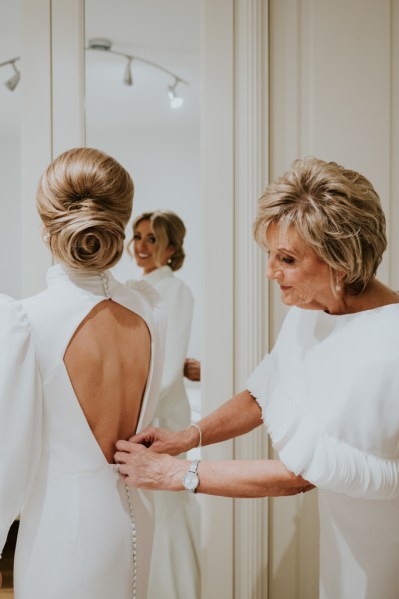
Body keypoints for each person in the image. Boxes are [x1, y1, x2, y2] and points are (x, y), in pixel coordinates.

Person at [115, 157, 399, 599]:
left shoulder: (387, 346)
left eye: (285, 259)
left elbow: (298, 476)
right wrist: (187, 436)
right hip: (342, 534)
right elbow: (264, 392)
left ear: (340, 263)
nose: (270, 273)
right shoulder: (312, 308)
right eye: (270, 255)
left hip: (385, 542)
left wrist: (178, 474)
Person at [0, 148, 166, 599]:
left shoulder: (25, 322)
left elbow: (7, 465)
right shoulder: (148, 309)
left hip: (63, 528)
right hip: (135, 518)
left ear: (45, 224)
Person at [126, 210, 201, 599]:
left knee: (167, 505)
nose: (140, 245)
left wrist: (131, 405)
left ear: (170, 247)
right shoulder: (129, 288)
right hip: (139, 410)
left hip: (161, 413)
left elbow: (169, 366)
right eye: (137, 236)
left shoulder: (177, 292)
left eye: (151, 239)